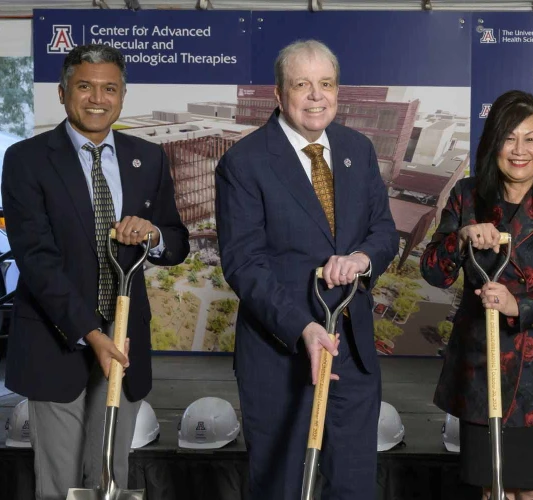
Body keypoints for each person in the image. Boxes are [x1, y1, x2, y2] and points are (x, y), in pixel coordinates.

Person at [1, 43, 189, 499]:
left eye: (110, 88)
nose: (97, 98)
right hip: (56, 339)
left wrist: (153, 235)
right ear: (64, 93)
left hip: (124, 339)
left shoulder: (149, 158)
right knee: (60, 483)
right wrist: (91, 332)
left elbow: (176, 241)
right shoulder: (27, 159)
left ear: (123, 97)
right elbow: (37, 259)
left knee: (108, 476)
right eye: (85, 86)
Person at [215, 39, 399, 500]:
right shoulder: (244, 162)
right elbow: (244, 263)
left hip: (352, 355)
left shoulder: (359, 149)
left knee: (354, 486)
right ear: (279, 94)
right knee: (281, 486)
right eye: (302, 84)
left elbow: (384, 231)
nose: (316, 96)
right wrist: (304, 327)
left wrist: (362, 259)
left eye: (326, 84)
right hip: (280, 356)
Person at [420, 90, 533, 500]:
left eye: (530, 139)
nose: (519, 151)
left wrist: (520, 305)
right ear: (492, 144)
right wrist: (460, 238)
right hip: (482, 366)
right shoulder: (467, 195)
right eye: (509, 138)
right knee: (493, 490)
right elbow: (433, 273)